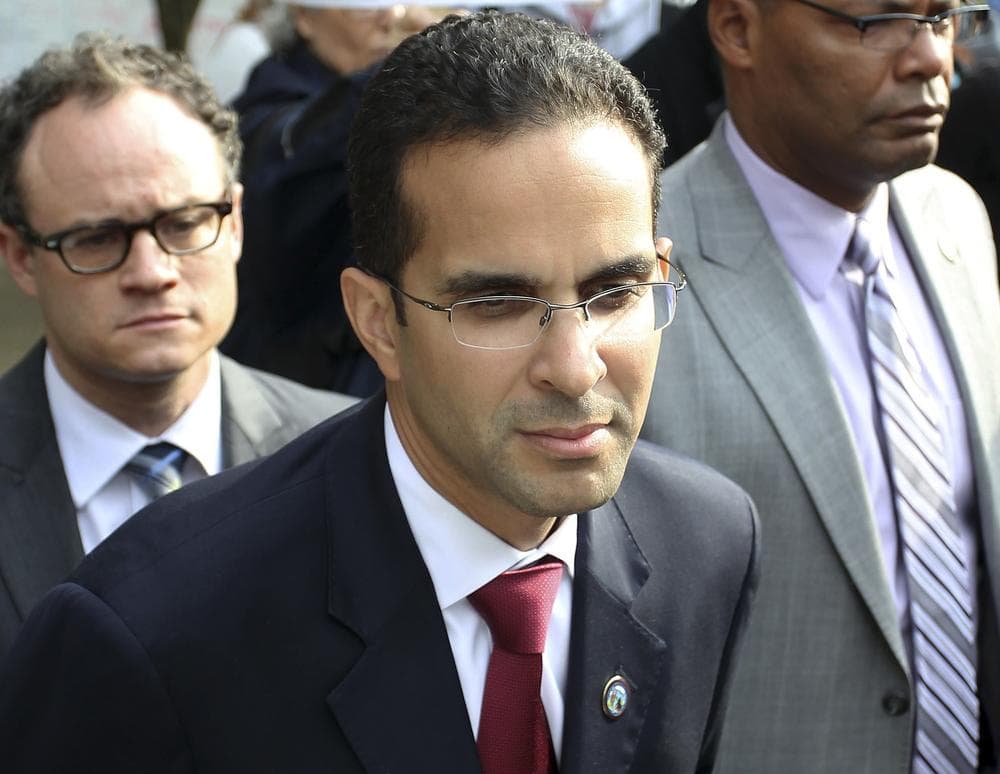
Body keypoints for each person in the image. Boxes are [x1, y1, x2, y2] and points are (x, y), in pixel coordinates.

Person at [0, 12, 758, 773]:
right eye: (495, 304)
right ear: (376, 321)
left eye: (616, 291)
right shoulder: (148, 632)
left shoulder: (705, 544)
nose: (575, 365)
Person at [640, 0, 1000, 769]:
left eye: (942, 18)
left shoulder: (956, 217)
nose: (931, 60)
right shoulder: (636, 271)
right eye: (876, 23)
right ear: (738, 29)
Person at [0, 34, 357, 659]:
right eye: (97, 238)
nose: (153, 271)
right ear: (20, 257)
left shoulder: (359, 452)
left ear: (236, 223)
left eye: (185, 223)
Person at [221, 1, 440, 396]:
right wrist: (413, 62)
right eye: (361, 7)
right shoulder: (270, 100)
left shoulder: (411, 100)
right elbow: (293, 153)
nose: (390, 16)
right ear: (304, 18)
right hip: (299, 377)